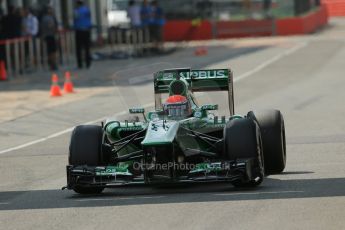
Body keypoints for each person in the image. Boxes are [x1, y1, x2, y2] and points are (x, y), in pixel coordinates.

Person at [74, 0, 92, 69]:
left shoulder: (76, 11)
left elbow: (75, 18)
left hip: (79, 31)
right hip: (87, 30)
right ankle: (88, 63)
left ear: (78, 4)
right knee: (87, 48)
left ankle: (80, 64)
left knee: (79, 48)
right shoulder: (87, 10)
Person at [40, 6, 58, 71]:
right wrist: (54, 30)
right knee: (53, 51)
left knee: (49, 51)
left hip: (46, 36)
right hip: (51, 35)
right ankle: (53, 64)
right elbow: (51, 26)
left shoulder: (43, 18)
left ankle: (51, 64)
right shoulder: (49, 18)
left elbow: (42, 28)